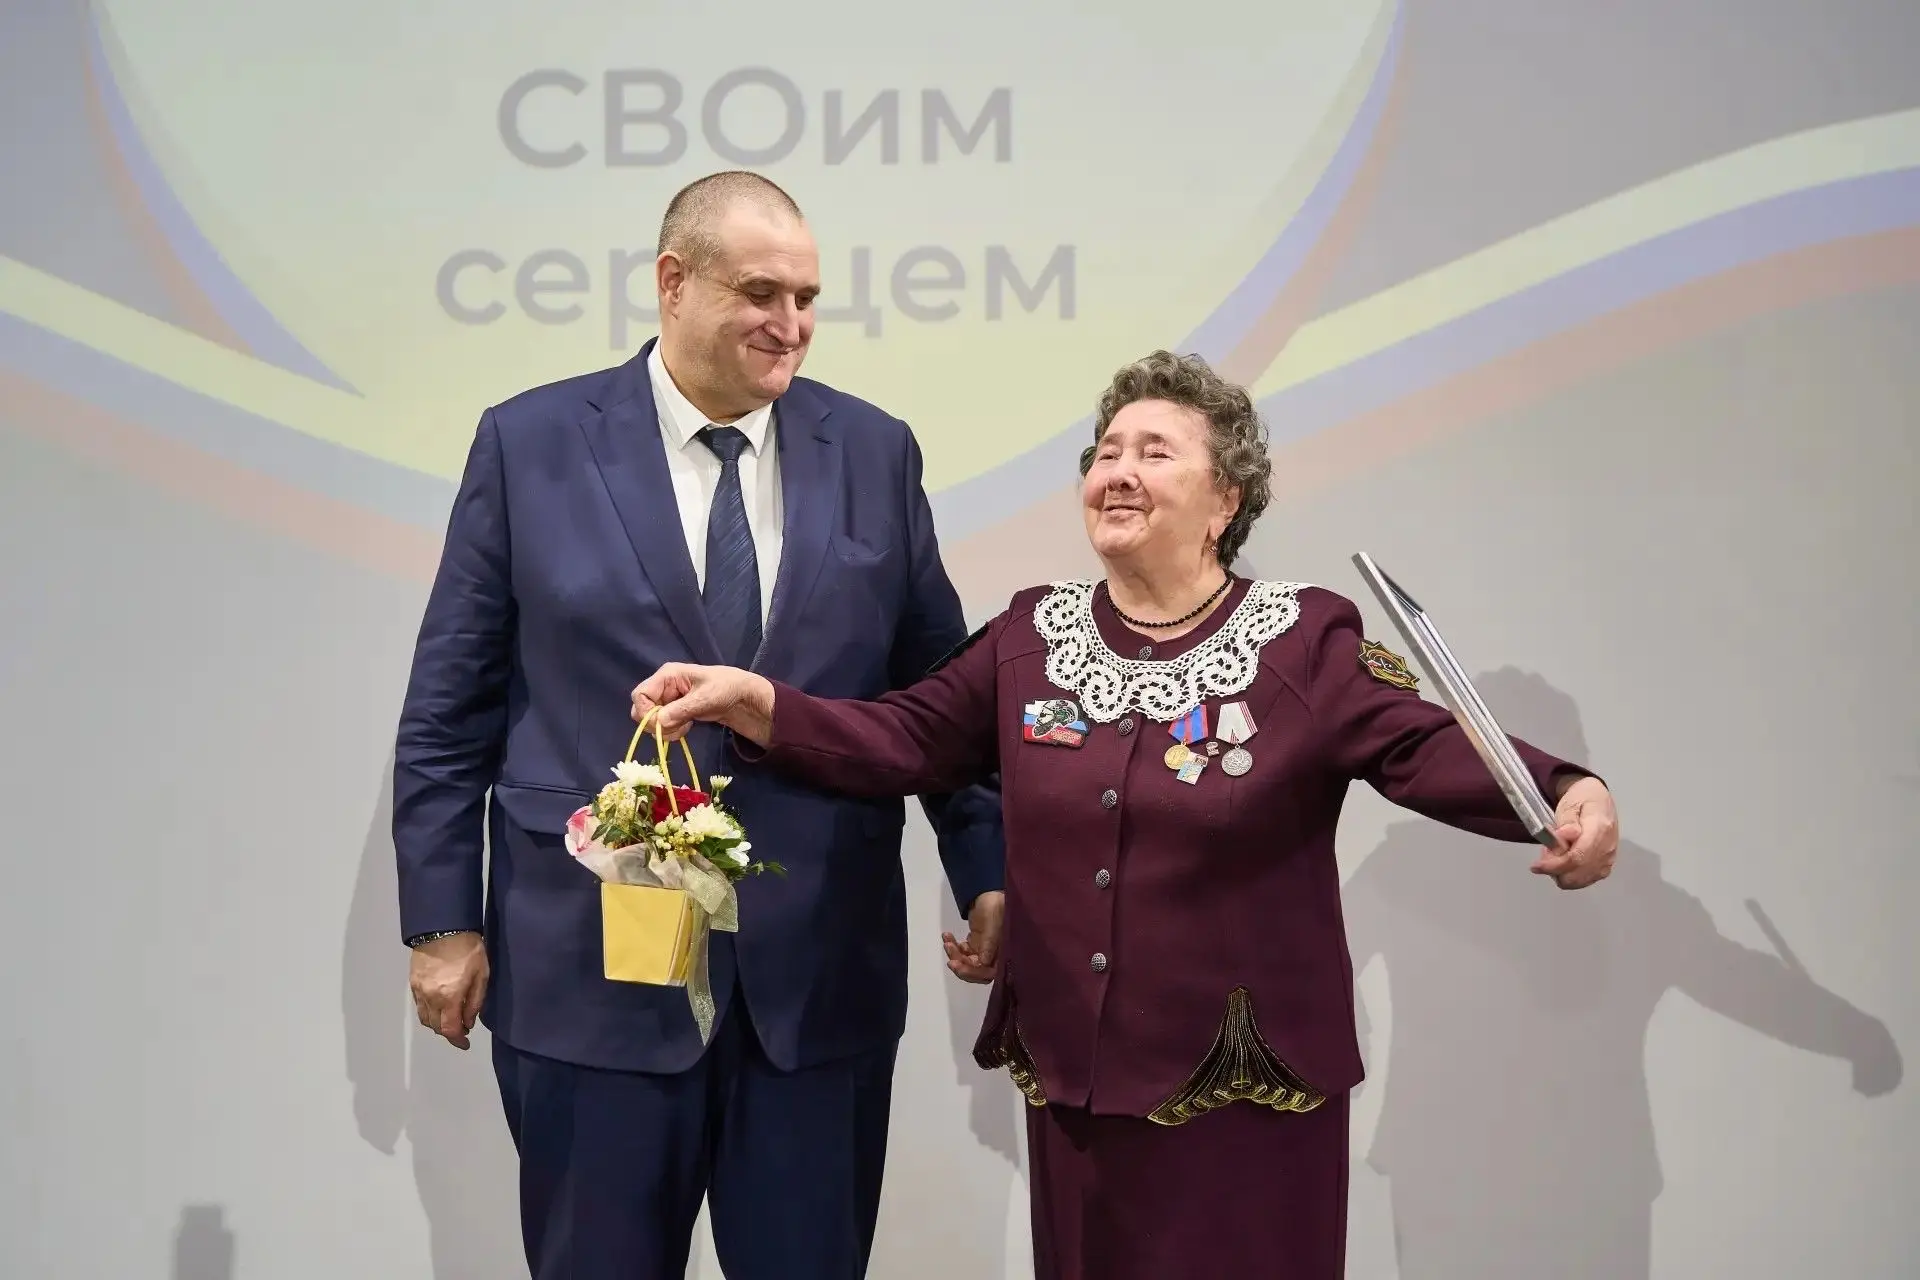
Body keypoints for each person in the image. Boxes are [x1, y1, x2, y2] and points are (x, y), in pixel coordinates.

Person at [629, 349, 1622, 1279]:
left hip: (1246, 1090)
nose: (1119, 472)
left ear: (1225, 500)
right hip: (1080, 1086)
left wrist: (1563, 790)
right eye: (1106, 453)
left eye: (1155, 452)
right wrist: (755, 701)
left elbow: (1424, 743)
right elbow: (903, 736)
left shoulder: (1301, 639)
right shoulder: (1030, 636)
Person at [390, 170, 1007, 1280]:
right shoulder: (531, 443)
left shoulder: (875, 452)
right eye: (761, 293)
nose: (792, 325)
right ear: (673, 282)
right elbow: (449, 705)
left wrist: (988, 870)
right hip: (593, 975)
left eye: (808, 298)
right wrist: (442, 920)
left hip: (816, 980)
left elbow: (940, 696)